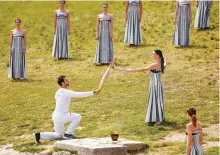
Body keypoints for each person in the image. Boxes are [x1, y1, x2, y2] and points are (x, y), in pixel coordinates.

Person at [33, 75, 100, 143]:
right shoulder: (65, 91)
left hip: (55, 116)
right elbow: (78, 94)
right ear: (62, 83)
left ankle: (38, 135)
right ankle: (68, 134)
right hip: (61, 116)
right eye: (66, 80)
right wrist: (93, 92)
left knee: (59, 135)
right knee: (78, 116)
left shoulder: (58, 92)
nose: (68, 81)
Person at [113, 50, 167, 126]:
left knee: (156, 102)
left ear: (158, 55)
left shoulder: (154, 65)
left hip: (155, 86)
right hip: (156, 86)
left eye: (153, 54)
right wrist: (165, 59)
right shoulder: (161, 64)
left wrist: (129, 70)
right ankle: (153, 118)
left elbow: (142, 69)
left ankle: (158, 120)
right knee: (155, 101)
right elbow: (164, 64)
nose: (152, 55)